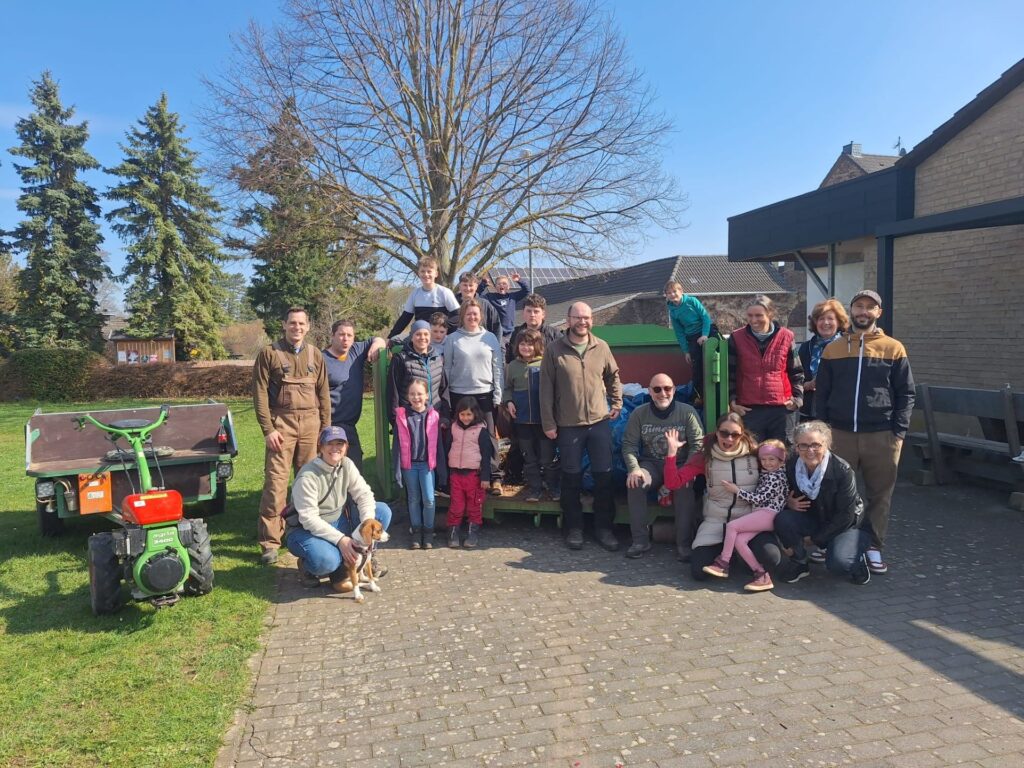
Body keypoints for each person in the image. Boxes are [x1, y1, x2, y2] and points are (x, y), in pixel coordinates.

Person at [814, 289, 914, 575]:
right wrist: (823, 432)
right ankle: (831, 541)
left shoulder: (893, 348)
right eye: (859, 306)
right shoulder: (833, 349)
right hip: (839, 434)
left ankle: (872, 545)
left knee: (879, 495)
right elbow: (822, 393)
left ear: (878, 312)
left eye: (870, 307)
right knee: (834, 491)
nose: (863, 311)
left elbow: (906, 393)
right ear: (852, 310)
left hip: (881, 435)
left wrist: (899, 432)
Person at [540, 301, 623, 551]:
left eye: (586, 317)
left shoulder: (601, 347)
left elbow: (613, 375)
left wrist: (617, 401)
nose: (582, 322)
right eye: (577, 317)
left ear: (591, 320)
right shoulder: (554, 350)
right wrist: (548, 423)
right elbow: (545, 389)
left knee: (604, 476)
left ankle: (604, 529)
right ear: (568, 320)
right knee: (571, 478)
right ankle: (574, 528)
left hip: (599, 422)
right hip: (568, 425)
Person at [252, 306, 331, 565]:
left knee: (309, 483)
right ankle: (270, 542)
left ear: (308, 327)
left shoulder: (315, 355)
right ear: (284, 325)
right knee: (276, 484)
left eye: (301, 323)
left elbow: (324, 395)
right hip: (281, 426)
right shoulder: (269, 353)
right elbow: (259, 395)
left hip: (311, 425)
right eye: (292, 323)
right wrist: (268, 429)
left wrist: (325, 430)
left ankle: (307, 531)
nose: (297, 327)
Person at [663, 412, 783, 581]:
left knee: (772, 558)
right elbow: (673, 483)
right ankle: (728, 554)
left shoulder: (755, 454)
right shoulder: (705, 456)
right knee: (698, 572)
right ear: (717, 432)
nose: (729, 439)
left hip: (748, 522)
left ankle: (736, 555)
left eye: (735, 434)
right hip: (716, 522)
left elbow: (777, 476)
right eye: (724, 433)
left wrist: (789, 500)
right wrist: (671, 453)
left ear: (742, 434)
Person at [283, 426, 393, 589]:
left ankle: (364, 557)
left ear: (346, 447)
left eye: (340, 443)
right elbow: (309, 519)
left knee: (382, 511)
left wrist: (367, 522)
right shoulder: (307, 477)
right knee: (327, 561)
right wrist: (341, 540)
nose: (335, 448)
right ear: (321, 447)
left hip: (339, 520)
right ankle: (308, 567)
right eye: (330, 443)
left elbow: (364, 494)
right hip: (306, 530)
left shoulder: (347, 464)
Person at [774, 421, 872, 586]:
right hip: (814, 519)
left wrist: (814, 540)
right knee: (783, 519)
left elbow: (846, 516)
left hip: (846, 525)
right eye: (803, 445)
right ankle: (800, 562)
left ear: (826, 445)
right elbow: (779, 493)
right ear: (796, 447)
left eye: (816, 445)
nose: (810, 451)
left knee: (839, 564)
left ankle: (857, 559)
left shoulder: (842, 470)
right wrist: (788, 501)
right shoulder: (791, 465)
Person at [621, 373, 704, 560]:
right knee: (635, 483)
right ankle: (640, 541)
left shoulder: (687, 412)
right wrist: (634, 469)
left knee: (684, 486)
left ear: (674, 390)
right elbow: (629, 445)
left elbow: (698, 445)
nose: (663, 393)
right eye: (657, 389)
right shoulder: (639, 413)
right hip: (652, 464)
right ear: (650, 392)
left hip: (680, 464)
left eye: (667, 388)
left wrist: (687, 471)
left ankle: (683, 544)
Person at [701, 439, 789, 591]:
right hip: (762, 514)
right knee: (740, 540)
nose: (767, 463)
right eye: (763, 459)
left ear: (781, 460)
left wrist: (737, 491)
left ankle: (723, 562)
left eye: (772, 459)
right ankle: (761, 574)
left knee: (732, 526)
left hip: (768, 514)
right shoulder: (769, 474)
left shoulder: (775, 477)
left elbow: (759, 498)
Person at [443, 298, 504, 494]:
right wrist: (446, 397)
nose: (472, 317)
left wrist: (498, 394)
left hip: (484, 393)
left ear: (481, 316)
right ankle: (456, 477)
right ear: (463, 316)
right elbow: (446, 368)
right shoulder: (453, 339)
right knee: (458, 437)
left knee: (489, 436)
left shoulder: (490, 338)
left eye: (475, 313)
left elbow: (497, 367)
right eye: (468, 313)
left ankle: (494, 477)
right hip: (459, 394)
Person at [728, 294, 804, 445]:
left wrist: (797, 399)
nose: (753, 320)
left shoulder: (786, 337)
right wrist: (732, 401)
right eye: (750, 315)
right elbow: (730, 373)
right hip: (749, 409)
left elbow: (796, 371)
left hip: (782, 409)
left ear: (770, 314)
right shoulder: (736, 338)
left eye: (758, 315)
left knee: (782, 453)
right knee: (752, 452)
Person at [322, 319, 386, 471]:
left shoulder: (356, 351)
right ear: (332, 336)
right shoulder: (322, 359)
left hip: (349, 425)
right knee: (331, 471)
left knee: (355, 471)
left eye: (349, 335)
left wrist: (377, 345)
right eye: (341, 334)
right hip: (330, 424)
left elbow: (378, 339)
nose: (345, 339)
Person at [503, 329, 558, 502]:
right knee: (529, 458)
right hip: (522, 420)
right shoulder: (512, 366)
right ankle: (535, 489)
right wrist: (509, 401)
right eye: (522, 344)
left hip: (544, 421)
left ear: (538, 345)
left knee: (547, 458)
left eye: (530, 344)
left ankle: (554, 488)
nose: (526, 348)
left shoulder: (545, 363)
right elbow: (507, 388)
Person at [394, 380, 440, 550]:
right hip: (410, 465)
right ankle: (416, 531)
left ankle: (428, 531)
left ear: (427, 396)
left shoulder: (433, 416)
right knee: (413, 499)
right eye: (412, 394)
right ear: (408, 396)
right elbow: (397, 445)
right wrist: (397, 469)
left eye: (419, 394)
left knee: (429, 499)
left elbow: (439, 444)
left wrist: (441, 468)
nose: (416, 397)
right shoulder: (403, 416)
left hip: (427, 465)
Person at [447, 397, 494, 548]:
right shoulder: (453, 428)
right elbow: (447, 447)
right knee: (456, 506)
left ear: (475, 414)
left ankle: (472, 533)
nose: (465, 418)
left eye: (469, 414)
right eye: (462, 414)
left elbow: (486, 455)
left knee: (474, 505)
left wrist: (485, 477)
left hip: (474, 476)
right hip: (456, 474)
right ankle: (453, 532)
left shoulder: (481, 431)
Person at [798, 299, 848, 421]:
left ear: (839, 322)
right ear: (815, 322)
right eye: (821, 319)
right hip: (810, 413)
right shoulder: (805, 348)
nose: (825, 323)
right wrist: (807, 385)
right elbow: (794, 379)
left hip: (839, 412)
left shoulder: (848, 347)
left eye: (830, 319)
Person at [387, 256, 460, 339]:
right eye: (422, 271)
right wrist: (391, 337)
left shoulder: (444, 292)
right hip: (420, 338)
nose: (426, 274)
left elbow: (457, 316)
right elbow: (404, 318)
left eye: (429, 271)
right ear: (419, 273)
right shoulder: (414, 294)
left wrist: (440, 328)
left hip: (439, 338)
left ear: (436, 274)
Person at [665, 281, 714, 399]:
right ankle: (699, 395)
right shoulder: (672, 311)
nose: (672, 294)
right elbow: (679, 332)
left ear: (681, 291)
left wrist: (704, 335)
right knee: (697, 366)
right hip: (692, 337)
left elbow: (705, 317)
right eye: (669, 293)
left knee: (715, 354)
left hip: (706, 330)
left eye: (674, 291)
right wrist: (686, 351)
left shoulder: (691, 301)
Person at [505, 293, 562, 364]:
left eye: (536, 311)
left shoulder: (555, 335)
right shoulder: (516, 333)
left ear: (543, 314)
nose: (532, 315)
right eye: (529, 311)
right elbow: (510, 360)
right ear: (523, 313)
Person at [481, 272, 531, 341]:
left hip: (510, 333)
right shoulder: (490, 297)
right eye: (499, 284)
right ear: (495, 287)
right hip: (496, 332)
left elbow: (527, 290)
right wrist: (483, 284)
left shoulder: (513, 297)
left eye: (504, 284)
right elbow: (477, 296)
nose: (501, 285)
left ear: (508, 287)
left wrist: (519, 280)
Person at [455, 272, 503, 341]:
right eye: (465, 285)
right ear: (460, 286)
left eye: (471, 285)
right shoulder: (451, 304)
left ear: (476, 287)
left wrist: (496, 345)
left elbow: (497, 328)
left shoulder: (486, 305)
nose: (468, 288)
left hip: (482, 344)